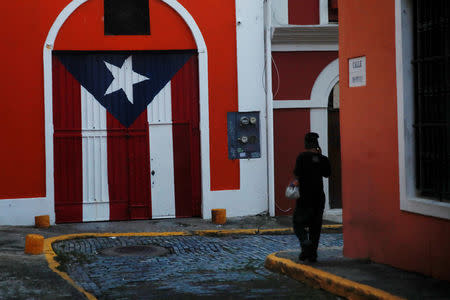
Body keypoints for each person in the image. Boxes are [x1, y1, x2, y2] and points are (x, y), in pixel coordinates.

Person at [292, 132, 330, 262]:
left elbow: (297, 174)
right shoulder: (323, 159)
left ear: (306, 144)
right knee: (315, 226)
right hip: (319, 197)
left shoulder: (301, 157)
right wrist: (320, 156)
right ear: (317, 145)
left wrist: (293, 185)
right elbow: (327, 174)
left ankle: (304, 242)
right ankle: (311, 254)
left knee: (298, 222)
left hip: (304, 196)